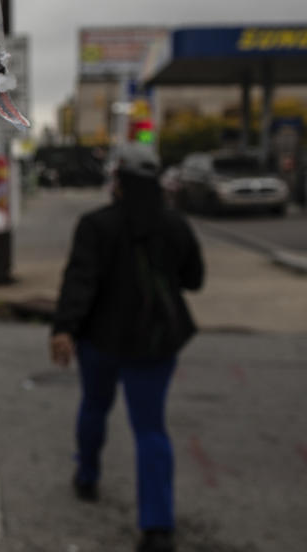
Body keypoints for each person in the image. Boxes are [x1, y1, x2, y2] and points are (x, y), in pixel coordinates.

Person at [50, 144, 204, 552]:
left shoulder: (96, 225)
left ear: (117, 181)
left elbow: (80, 281)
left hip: (100, 340)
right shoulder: (175, 225)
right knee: (151, 428)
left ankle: (87, 475)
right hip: (156, 344)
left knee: (95, 406)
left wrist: (64, 328)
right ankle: (157, 527)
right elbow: (194, 280)